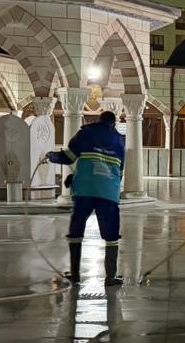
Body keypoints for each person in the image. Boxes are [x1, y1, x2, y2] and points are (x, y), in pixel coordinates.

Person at [47, 110, 126, 286]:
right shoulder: (119, 142)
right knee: (111, 236)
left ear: (99, 120)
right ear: (113, 124)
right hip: (108, 193)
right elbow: (119, 173)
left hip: (84, 190)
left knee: (76, 230)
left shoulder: (86, 133)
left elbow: (68, 157)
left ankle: (75, 275)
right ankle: (111, 277)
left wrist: (51, 156)